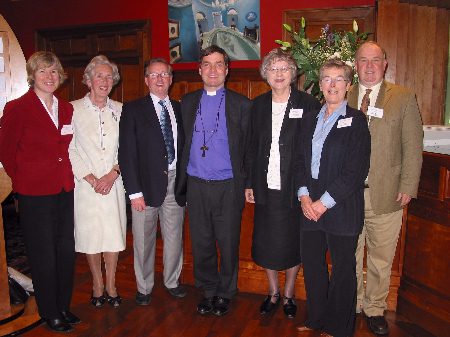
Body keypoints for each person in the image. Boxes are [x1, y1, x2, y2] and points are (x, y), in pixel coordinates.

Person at [0, 51, 80, 332]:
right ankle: (49, 311)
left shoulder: (67, 108)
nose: (49, 77)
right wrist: (22, 178)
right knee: (43, 252)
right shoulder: (17, 108)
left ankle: (63, 305)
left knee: (65, 251)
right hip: (34, 192)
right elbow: (6, 151)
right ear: (33, 75)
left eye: (54, 72)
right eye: (43, 72)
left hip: (64, 187)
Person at [347, 41, 423, 335]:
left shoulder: (403, 97)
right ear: (355, 65)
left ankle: (375, 308)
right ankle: (351, 303)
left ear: (385, 64)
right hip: (348, 195)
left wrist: (408, 185)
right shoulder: (344, 94)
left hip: (388, 191)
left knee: (380, 257)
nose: (368, 66)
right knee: (349, 252)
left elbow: (413, 147)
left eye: (375, 60)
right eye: (363, 60)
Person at [175, 45, 252, 316]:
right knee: (202, 241)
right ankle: (208, 289)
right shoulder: (187, 102)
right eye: (207, 64)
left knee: (228, 242)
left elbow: (249, 149)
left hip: (228, 185)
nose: (213, 70)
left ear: (227, 70)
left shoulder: (241, 104)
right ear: (199, 70)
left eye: (219, 64)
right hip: (196, 183)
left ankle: (226, 292)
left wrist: (247, 184)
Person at [297, 58, 370, 337]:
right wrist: (304, 197)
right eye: (326, 78)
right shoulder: (309, 118)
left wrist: (322, 203)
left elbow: (354, 171)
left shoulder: (356, 121)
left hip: (340, 208)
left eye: (339, 78)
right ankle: (316, 319)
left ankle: (339, 328)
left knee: (342, 270)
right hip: (308, 208)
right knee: (314, 266)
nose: (332, 84)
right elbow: (300, 164)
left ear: (349, 85)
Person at [245, 48, 320, 318]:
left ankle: (288, 294)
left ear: (293, 73)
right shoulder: (257, 105)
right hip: (265, 186)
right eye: (273, 69)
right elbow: (250, 147)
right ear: (265, 74)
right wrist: (249, 183)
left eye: (284, 68)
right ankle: (273, 292)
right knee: (266, 241)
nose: (279, 74)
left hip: (295, 186)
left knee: (292, 242)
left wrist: (309, 187)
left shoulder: (308, 104)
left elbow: (314, 148)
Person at [119, 58, 186, 306]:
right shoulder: (133, 109)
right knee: (143, 240)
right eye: (153, 75)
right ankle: (144, 286)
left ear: (171, 79)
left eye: (164, 74)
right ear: (146, 79)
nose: (159, 79)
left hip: (175, 184)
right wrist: (133, 192)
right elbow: (126, 153)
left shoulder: (180, 108)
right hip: (144, 187)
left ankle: (172, 281)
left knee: (174, 237)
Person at [68, 55, 126, 309]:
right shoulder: (72, 110)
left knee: (113, 234)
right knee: (90, 236)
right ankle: (96, 284)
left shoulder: (122, 110)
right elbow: (69, 149)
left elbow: (128, 148)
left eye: (108, 76)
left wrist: (113, 174)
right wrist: (91, 178)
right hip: (85, 185)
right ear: (88, 79)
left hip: (114, 183)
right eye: (99, 76)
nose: (104, 80)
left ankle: (111, 284)